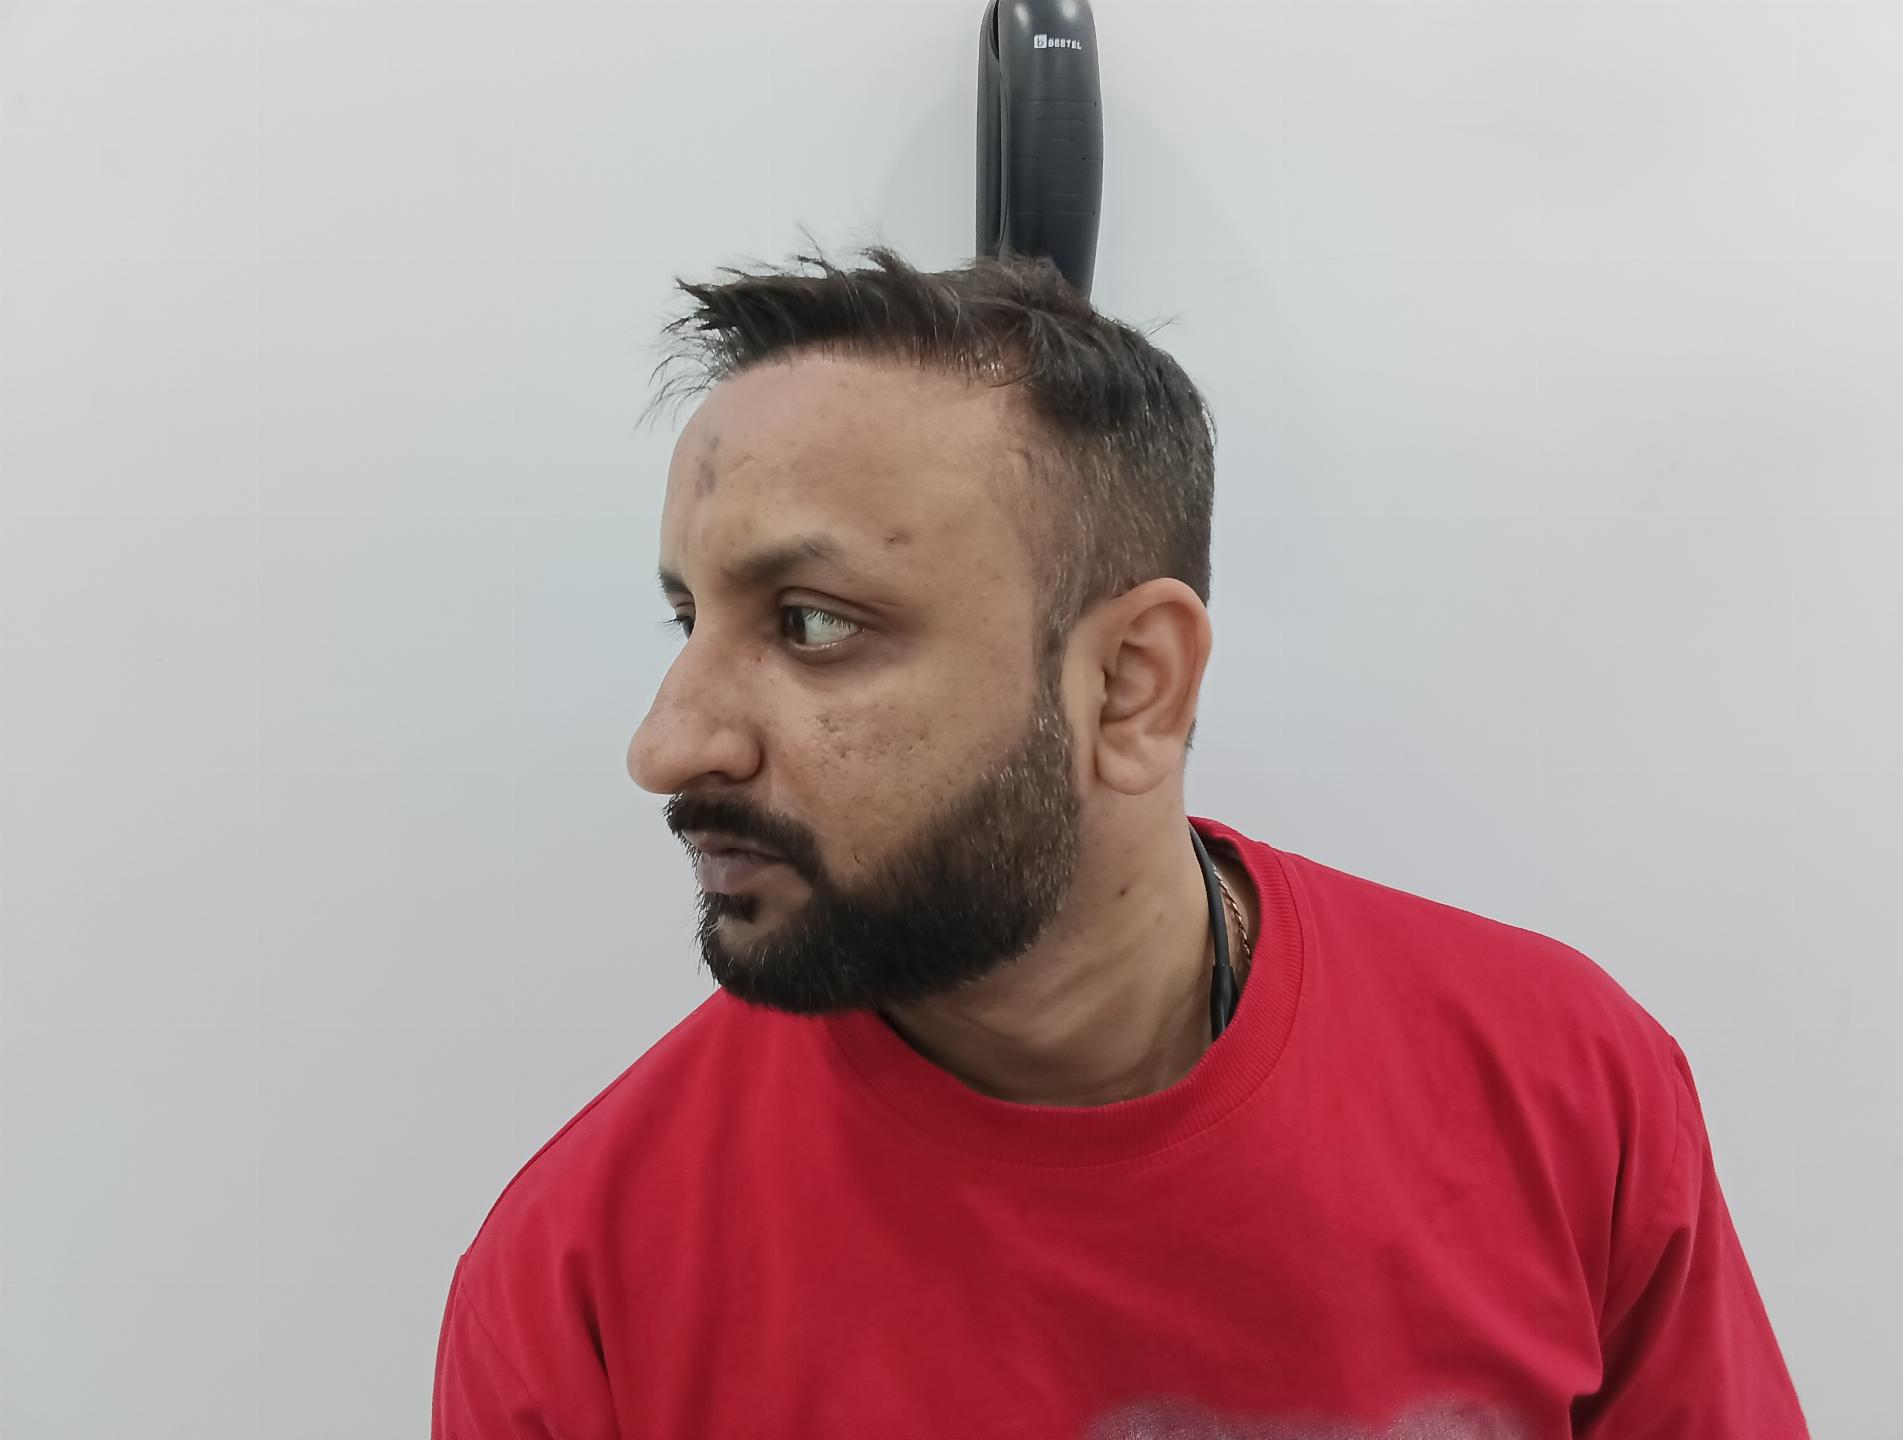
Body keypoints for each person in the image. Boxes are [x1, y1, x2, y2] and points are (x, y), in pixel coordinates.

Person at [430, 245, 1807, 1438]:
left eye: (813, 623)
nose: (668, 745)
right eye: (689, 620)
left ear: (1133, 685)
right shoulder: (586, 1280)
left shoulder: (1562, 1088)